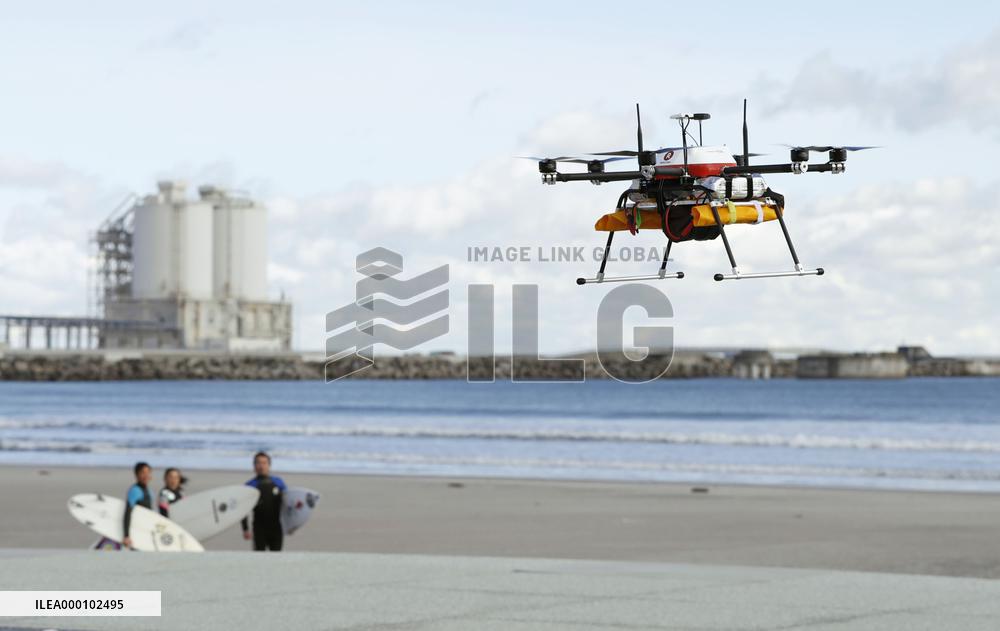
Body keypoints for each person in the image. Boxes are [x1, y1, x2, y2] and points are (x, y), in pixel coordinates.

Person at [241, 451, 287, 551]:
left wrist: (291, 525)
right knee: (259, 561)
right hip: (259, 529)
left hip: (276, 528)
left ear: (269, 465)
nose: (261, 466)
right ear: (254, 466)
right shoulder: (249, 485)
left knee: (276, 560)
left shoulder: (278, 482)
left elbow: (288, 504)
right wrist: (245, 529)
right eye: (258, 463)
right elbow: (243, 510)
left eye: (264, 463)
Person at [122, 461, 153, 549]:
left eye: (148, 472)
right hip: (137, 530)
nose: (146, 475)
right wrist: (126, 536)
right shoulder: (135, 491)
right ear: (137, 474)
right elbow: (127, 513)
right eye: (143, 472)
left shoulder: (149, 491)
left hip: (145, 529)